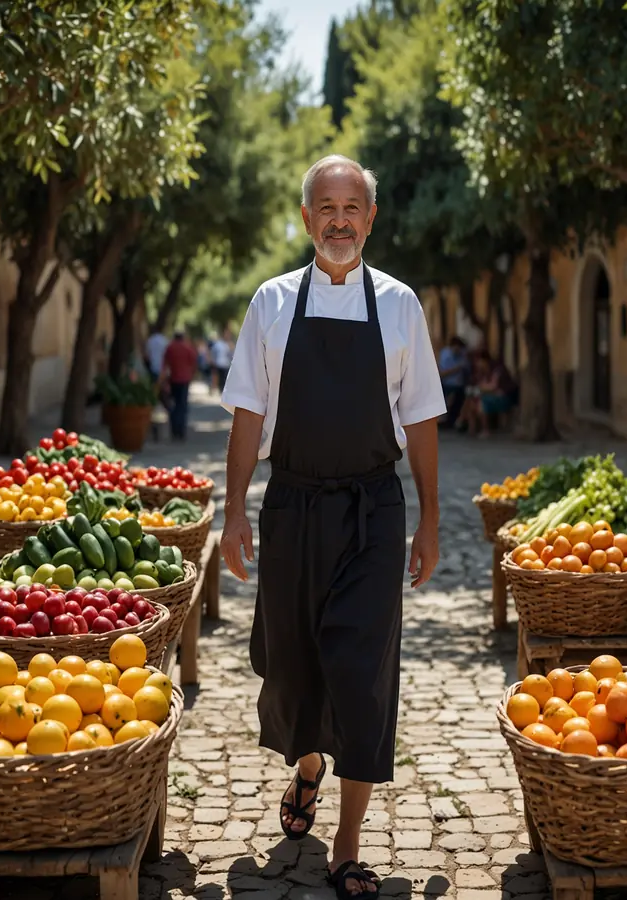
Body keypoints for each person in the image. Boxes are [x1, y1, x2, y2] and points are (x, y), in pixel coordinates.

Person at [219, 154, 444, 900]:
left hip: (373, 510)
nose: (340, 220)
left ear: (370, 219)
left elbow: (419, 420)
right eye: (326, 207)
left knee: (360, 673)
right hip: (293, 506)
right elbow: (249, 414)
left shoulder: (403, 305)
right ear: (307, 217)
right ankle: (308, 762)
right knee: (292, 666)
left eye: (353, 207)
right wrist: (233, 513)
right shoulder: (272, 303)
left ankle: (348, 841)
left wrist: (431, 519)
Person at [460, 352, 517, 437]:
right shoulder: (484, 372)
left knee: (481, 402)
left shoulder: (497, 370)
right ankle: (471, 428)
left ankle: (485, 430)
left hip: (503, 398)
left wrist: (480, 388)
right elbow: (482, 384)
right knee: (471, 401)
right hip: (491, 396)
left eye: (478, 362)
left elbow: (493, 387)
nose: (477, 364)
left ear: (484, 361)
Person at [160, 329, 198, 441]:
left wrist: (163, 381)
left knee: (173, 405)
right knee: (182, 405)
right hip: (184, 380)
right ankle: (181, 431)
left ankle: (174, 430)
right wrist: (192, 375)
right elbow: (194, 363)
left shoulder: (170, 348)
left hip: (173, 379)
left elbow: (165, 365)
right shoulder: (188, 348)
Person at [437, 335, 470, 429]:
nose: (458, 351)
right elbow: (442, 373)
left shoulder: (463, 354)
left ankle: (454, 421)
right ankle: (445, 421)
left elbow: (467, 369)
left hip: (459, 385)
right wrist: (456, 369)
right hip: (447, 384)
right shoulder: (445, 355)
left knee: (461, 399)